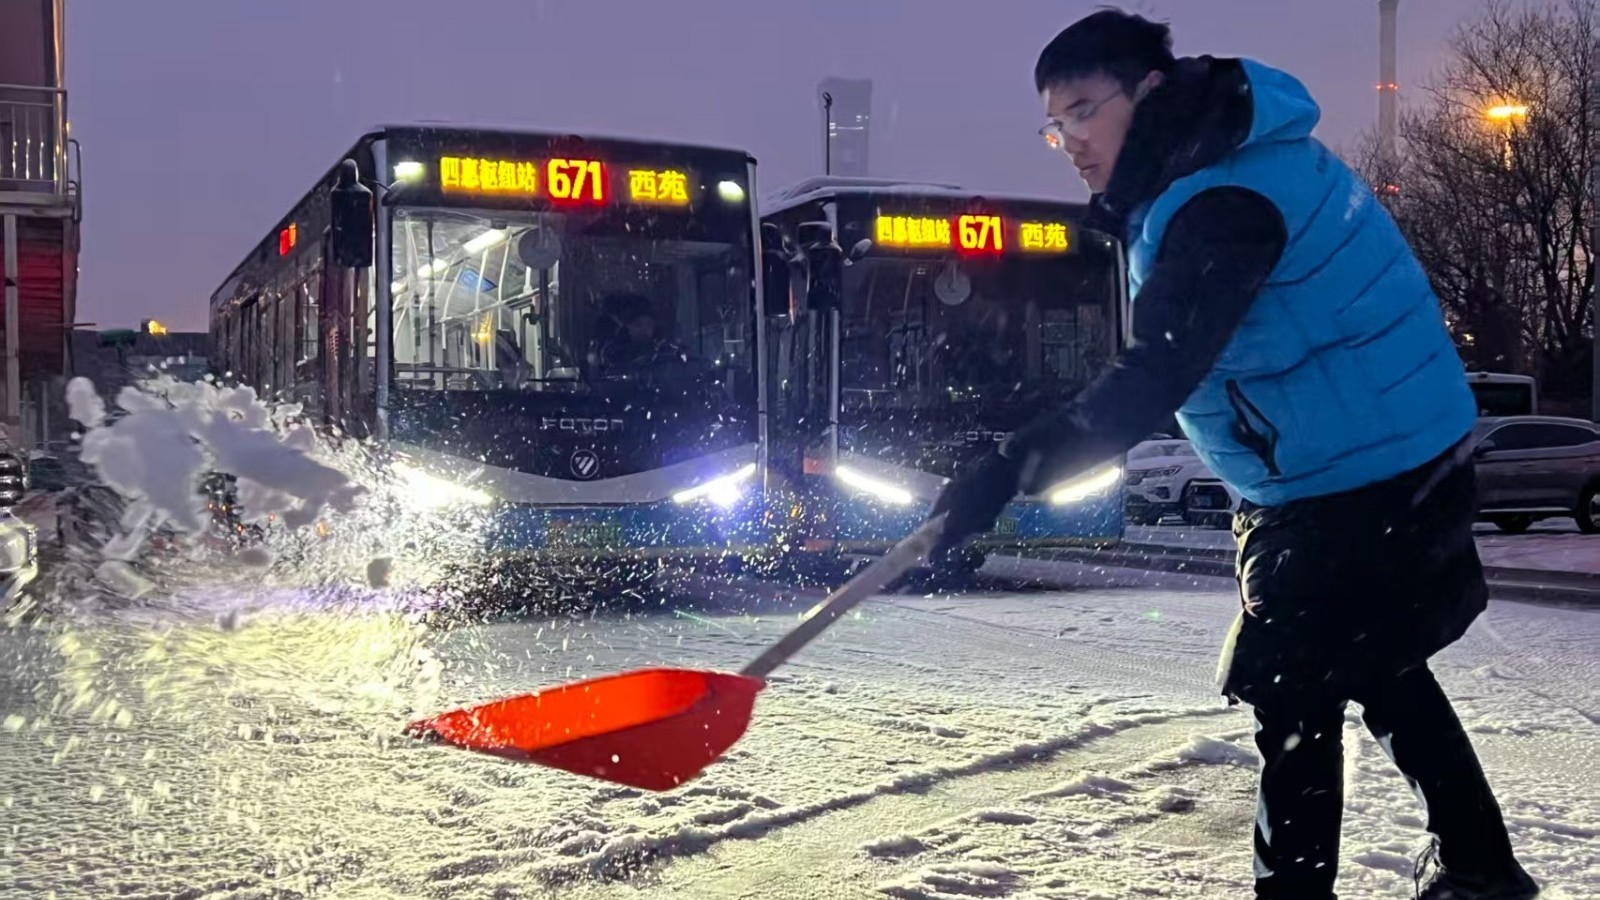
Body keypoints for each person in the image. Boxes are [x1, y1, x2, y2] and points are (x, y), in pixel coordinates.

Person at [929, 10, 1538, 900]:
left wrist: (1003, 476)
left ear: (1149, 91)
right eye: (1053, 124)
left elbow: (1159, 370)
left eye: (1083, 111)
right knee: (1377, 663)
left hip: (1359, 473)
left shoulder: (1222, 201)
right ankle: (1481, 867)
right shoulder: (1215, 171)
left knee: (1289, 688)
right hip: (1369, 456)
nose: (1067, 141)